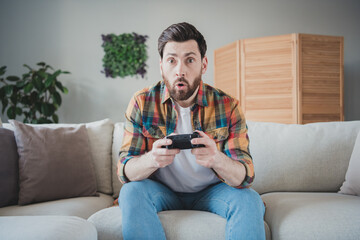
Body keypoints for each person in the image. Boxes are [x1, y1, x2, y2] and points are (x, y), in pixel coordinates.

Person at [117, 22, 265, 240]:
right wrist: (153, 160)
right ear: (161, 66)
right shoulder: (142, 102)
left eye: (190, 60)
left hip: (212, 192)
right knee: (130, 193)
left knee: (250, 200)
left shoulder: (228, 105)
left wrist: (216, 158)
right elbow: (125, 170)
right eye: (172, 60)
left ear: (203, 64)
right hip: (161, 190)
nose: (180, 70)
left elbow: (245, 175)